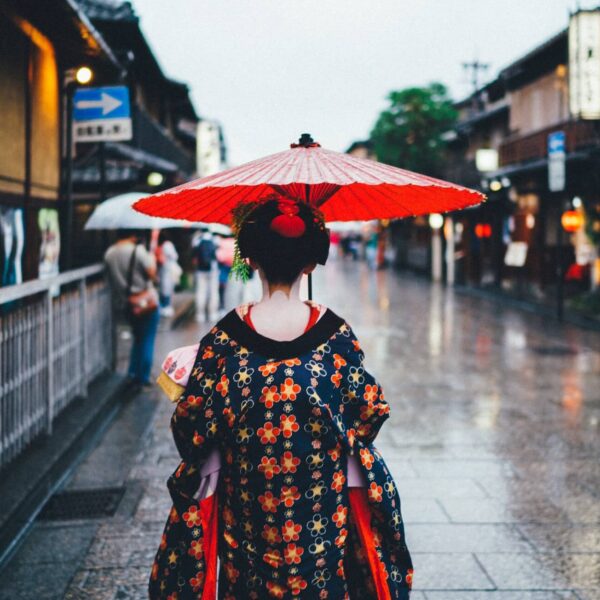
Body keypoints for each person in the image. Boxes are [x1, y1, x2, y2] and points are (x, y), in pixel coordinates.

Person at [149, 196, 413, 599]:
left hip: (248, 514)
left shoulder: (223, 339)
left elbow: (189, 429)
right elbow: (370, 412)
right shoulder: (334, 335)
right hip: (321, 513)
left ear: (250, 258)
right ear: (310, 264)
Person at [104, 229, 159, 389]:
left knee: (137, 337)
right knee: (147, 339)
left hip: (125, 303)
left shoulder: (109, 253)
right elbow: (152, 275)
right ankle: (143, 376)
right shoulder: (138, 251)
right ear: (133, 234)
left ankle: (132, 372)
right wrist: (153, 259)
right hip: (144, 302)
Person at [193, 228, 217, 322]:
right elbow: (216, 256)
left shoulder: (197, 241)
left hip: (200, 270)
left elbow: (194, 258)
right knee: (213, 292)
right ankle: (212, 313)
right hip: (213, 270)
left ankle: (200, 314)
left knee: (201, 292)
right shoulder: (214, 240)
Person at [156, 232, 180, 317]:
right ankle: (167, 306)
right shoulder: (167, 245)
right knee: (167, 288)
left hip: (165, 269)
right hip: (167, 269)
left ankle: (165, 306)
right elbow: (175, 256)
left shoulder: (162, 245)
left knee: (165, 288)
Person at [215, 234, 235, 312]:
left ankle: (222, 305)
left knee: (222, 286)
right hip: (233, 266)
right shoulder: (235, 242)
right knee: (231, 286)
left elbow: (219, 256)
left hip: (224, 266)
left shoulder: (222, 242)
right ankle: (228, 304)